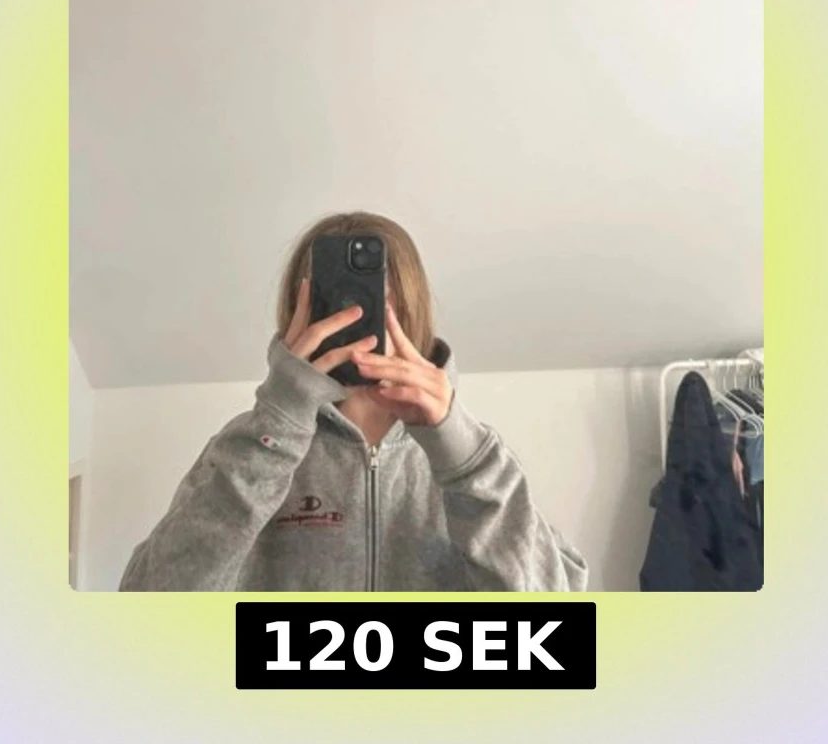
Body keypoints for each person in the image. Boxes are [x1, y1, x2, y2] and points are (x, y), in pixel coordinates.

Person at [119, 212, 588, 592]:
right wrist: (276, 424)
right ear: (299, 311)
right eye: (335, 303)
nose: (357, 318)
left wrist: (464, 455)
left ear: (411, 306)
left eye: (376, 303)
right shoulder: (251, 447)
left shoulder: (468, 462)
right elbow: (150, 609)